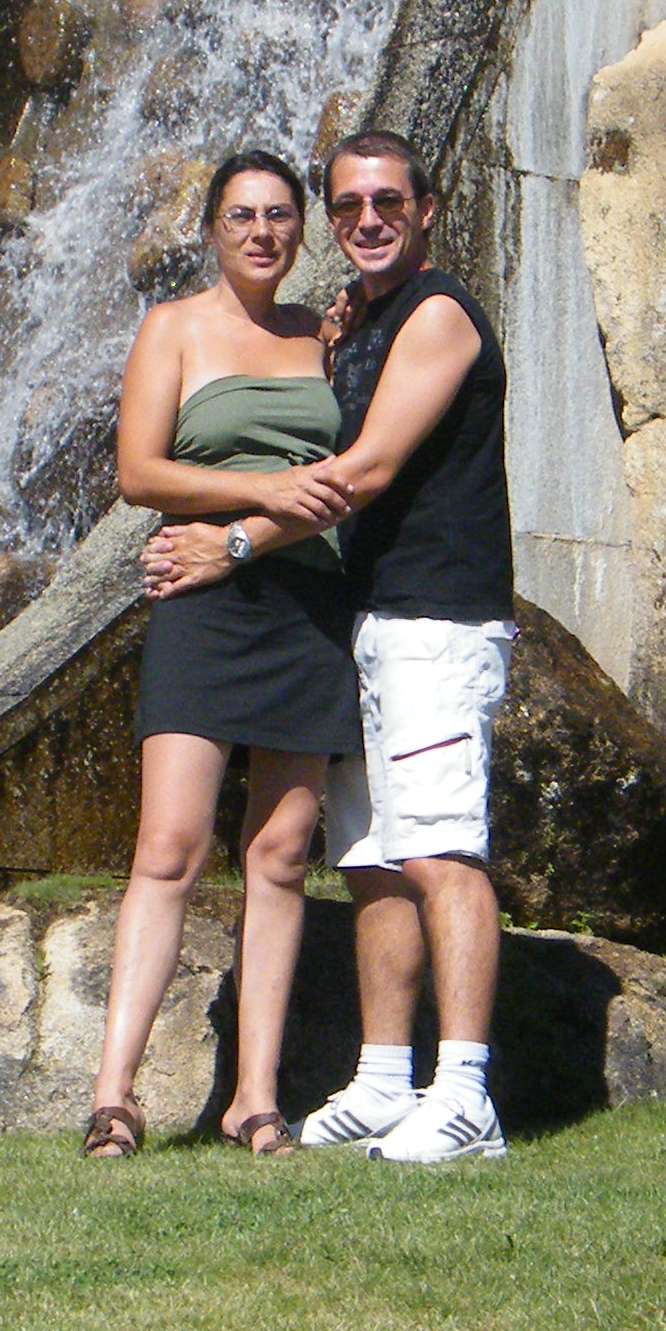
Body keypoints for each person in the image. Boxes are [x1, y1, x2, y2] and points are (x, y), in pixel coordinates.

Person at [144, 130, 514, 1165]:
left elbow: (365, 472)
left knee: (440, 850)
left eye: (388, 201)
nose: (368, 219)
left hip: (436, 619)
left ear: (427, 209)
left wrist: (231, 541)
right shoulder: (356, 321)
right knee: (372, 859)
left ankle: (467, 1092)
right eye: (348, 204)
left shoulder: (436, 316)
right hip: (364, 623)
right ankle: (387, 1079)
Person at [84, 152, 361, 1159]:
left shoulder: (326, 335)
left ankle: (255, 1099)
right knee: (170, 846)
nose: (261, 232)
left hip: (310, 604)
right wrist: (263, 493)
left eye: (280, 215)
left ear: (301, 231)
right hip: (203, 600)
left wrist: (275, 514)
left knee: (280, 856)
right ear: (211, 229)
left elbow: (356, 470)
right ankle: (114, 1095)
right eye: (241, 215)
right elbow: (139, 471)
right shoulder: (173, 327)